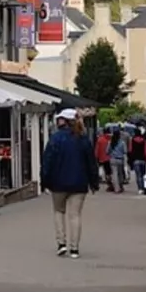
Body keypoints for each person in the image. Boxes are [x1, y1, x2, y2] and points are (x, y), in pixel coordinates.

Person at [42, 108, 100, 258]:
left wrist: (45, 181)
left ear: (64, 121)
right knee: (75, 215)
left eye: (60, 119)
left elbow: (47, 161)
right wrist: (94, 182)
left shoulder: (55, 138)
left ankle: (61, 243)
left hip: (58, 182)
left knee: (58, 211)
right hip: (79, 183)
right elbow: (91, 163)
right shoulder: (83, 139)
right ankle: (74, 248)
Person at [107, 123, 129, 191]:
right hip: (120, 160)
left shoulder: (110, 142)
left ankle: (116, 188)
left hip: (112, 159)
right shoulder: (122, 143)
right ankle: (120, 185)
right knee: (120, 174)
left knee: (114, 174)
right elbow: (125, 151)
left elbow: (107, 151)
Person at [129, 127, 146, 192]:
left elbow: (130, 150)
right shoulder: (145, 140)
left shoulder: (132, 140)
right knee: (143, 175)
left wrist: (130, 159)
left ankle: (140, 189)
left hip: (135, 160)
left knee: (138, 175)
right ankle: (144, 187)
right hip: (143, 160)